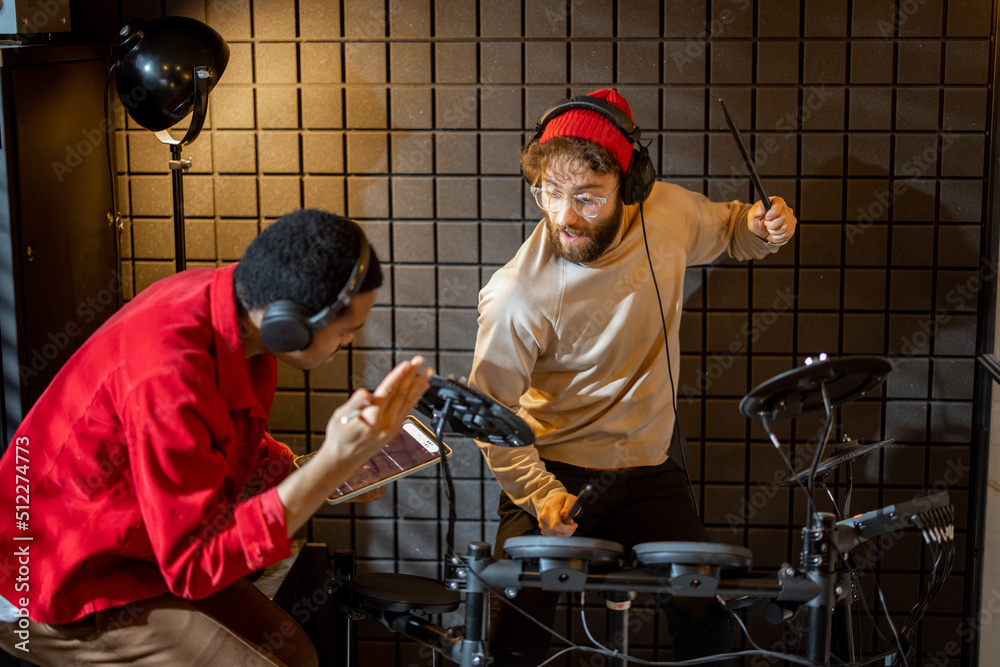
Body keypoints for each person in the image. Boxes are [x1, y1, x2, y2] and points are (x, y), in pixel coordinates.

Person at [0, 209, 433, 666]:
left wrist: (312, 468)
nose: (347, 342)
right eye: (346, 331)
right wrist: (329, 468)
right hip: (46, 576)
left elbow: (213, 441)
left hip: (140, 551)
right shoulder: (169, 373)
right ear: (289, 322)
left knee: (296, 656)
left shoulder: (228, 309)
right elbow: (195, 565)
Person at [469, 88, 797, 665]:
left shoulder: (666, 214)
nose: (565, 216)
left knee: (706, 621)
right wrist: (542, 496)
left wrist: (766, 227)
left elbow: (731, 231)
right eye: (549, 193)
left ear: (630, 185)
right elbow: (490, 413)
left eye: (589, 198)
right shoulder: (515, 295)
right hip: (554, 469)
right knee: (513, 629)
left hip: (647, 469)